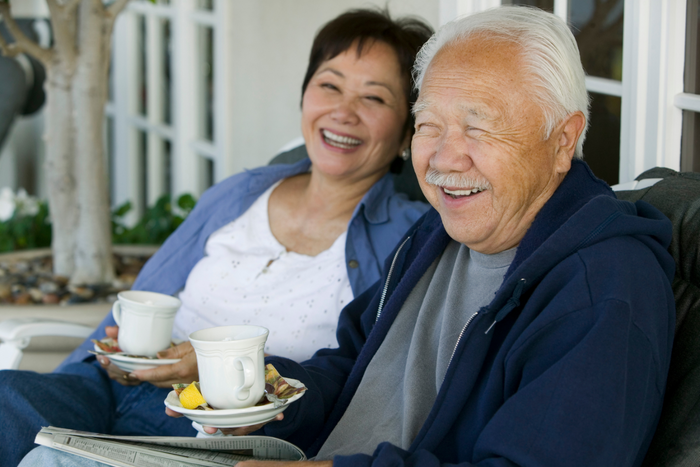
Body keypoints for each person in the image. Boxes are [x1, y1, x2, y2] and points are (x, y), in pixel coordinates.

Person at [20, 6, 678, 467]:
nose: (445, 159)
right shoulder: (442, 238)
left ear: (563, 139)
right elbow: (347, 367)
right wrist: (257, 395)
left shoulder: (603, 288)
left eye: (478, 126)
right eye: (431, 124)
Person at [1, 9, 433, 466]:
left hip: (214, 432)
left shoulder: (408, 239)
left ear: (408, 130)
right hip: (113, 390)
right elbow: (145, 295)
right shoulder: (242, 192)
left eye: (375, 98)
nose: (343, 112)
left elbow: (367, 384)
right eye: (330, 85)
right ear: (306, 93)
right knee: (9, 400)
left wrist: (213, 370)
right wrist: (119, 357)